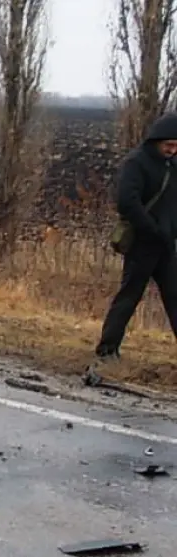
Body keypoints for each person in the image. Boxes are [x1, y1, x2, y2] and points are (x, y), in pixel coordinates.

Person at [93, 112, 177, 367]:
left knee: (175, 297)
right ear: (156, 141)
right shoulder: (137, 162)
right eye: (168, 146)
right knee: (129, 296)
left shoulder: (172, 165)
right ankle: (107, 349)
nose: (172, 151)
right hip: (142, 243)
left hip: (166, 244)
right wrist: (152, 228)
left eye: (176, 146)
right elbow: (127, 202)